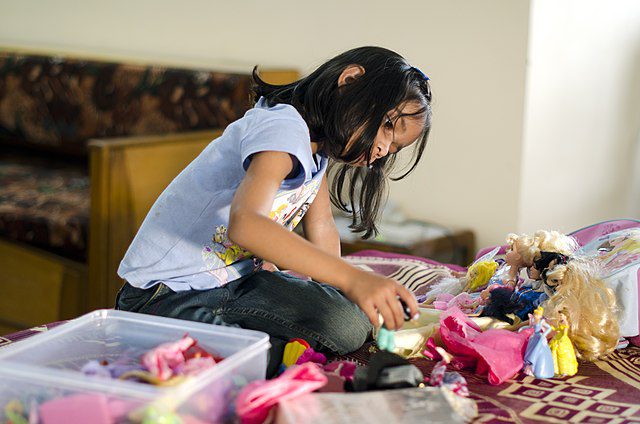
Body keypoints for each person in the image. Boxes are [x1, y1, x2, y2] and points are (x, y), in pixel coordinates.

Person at [115, 46, 432, 376]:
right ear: (349, 81)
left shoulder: (318, 149)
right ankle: (247, 348)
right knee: (249, 361)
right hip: (165, 295)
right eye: (386, 128)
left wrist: (343, 294)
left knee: (347, 325)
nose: (382, 150)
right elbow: (246, 224)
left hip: (236, 282)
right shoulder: (281, 127)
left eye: (394, 148)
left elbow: (322, 224)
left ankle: (246, 337)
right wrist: (353, 279)